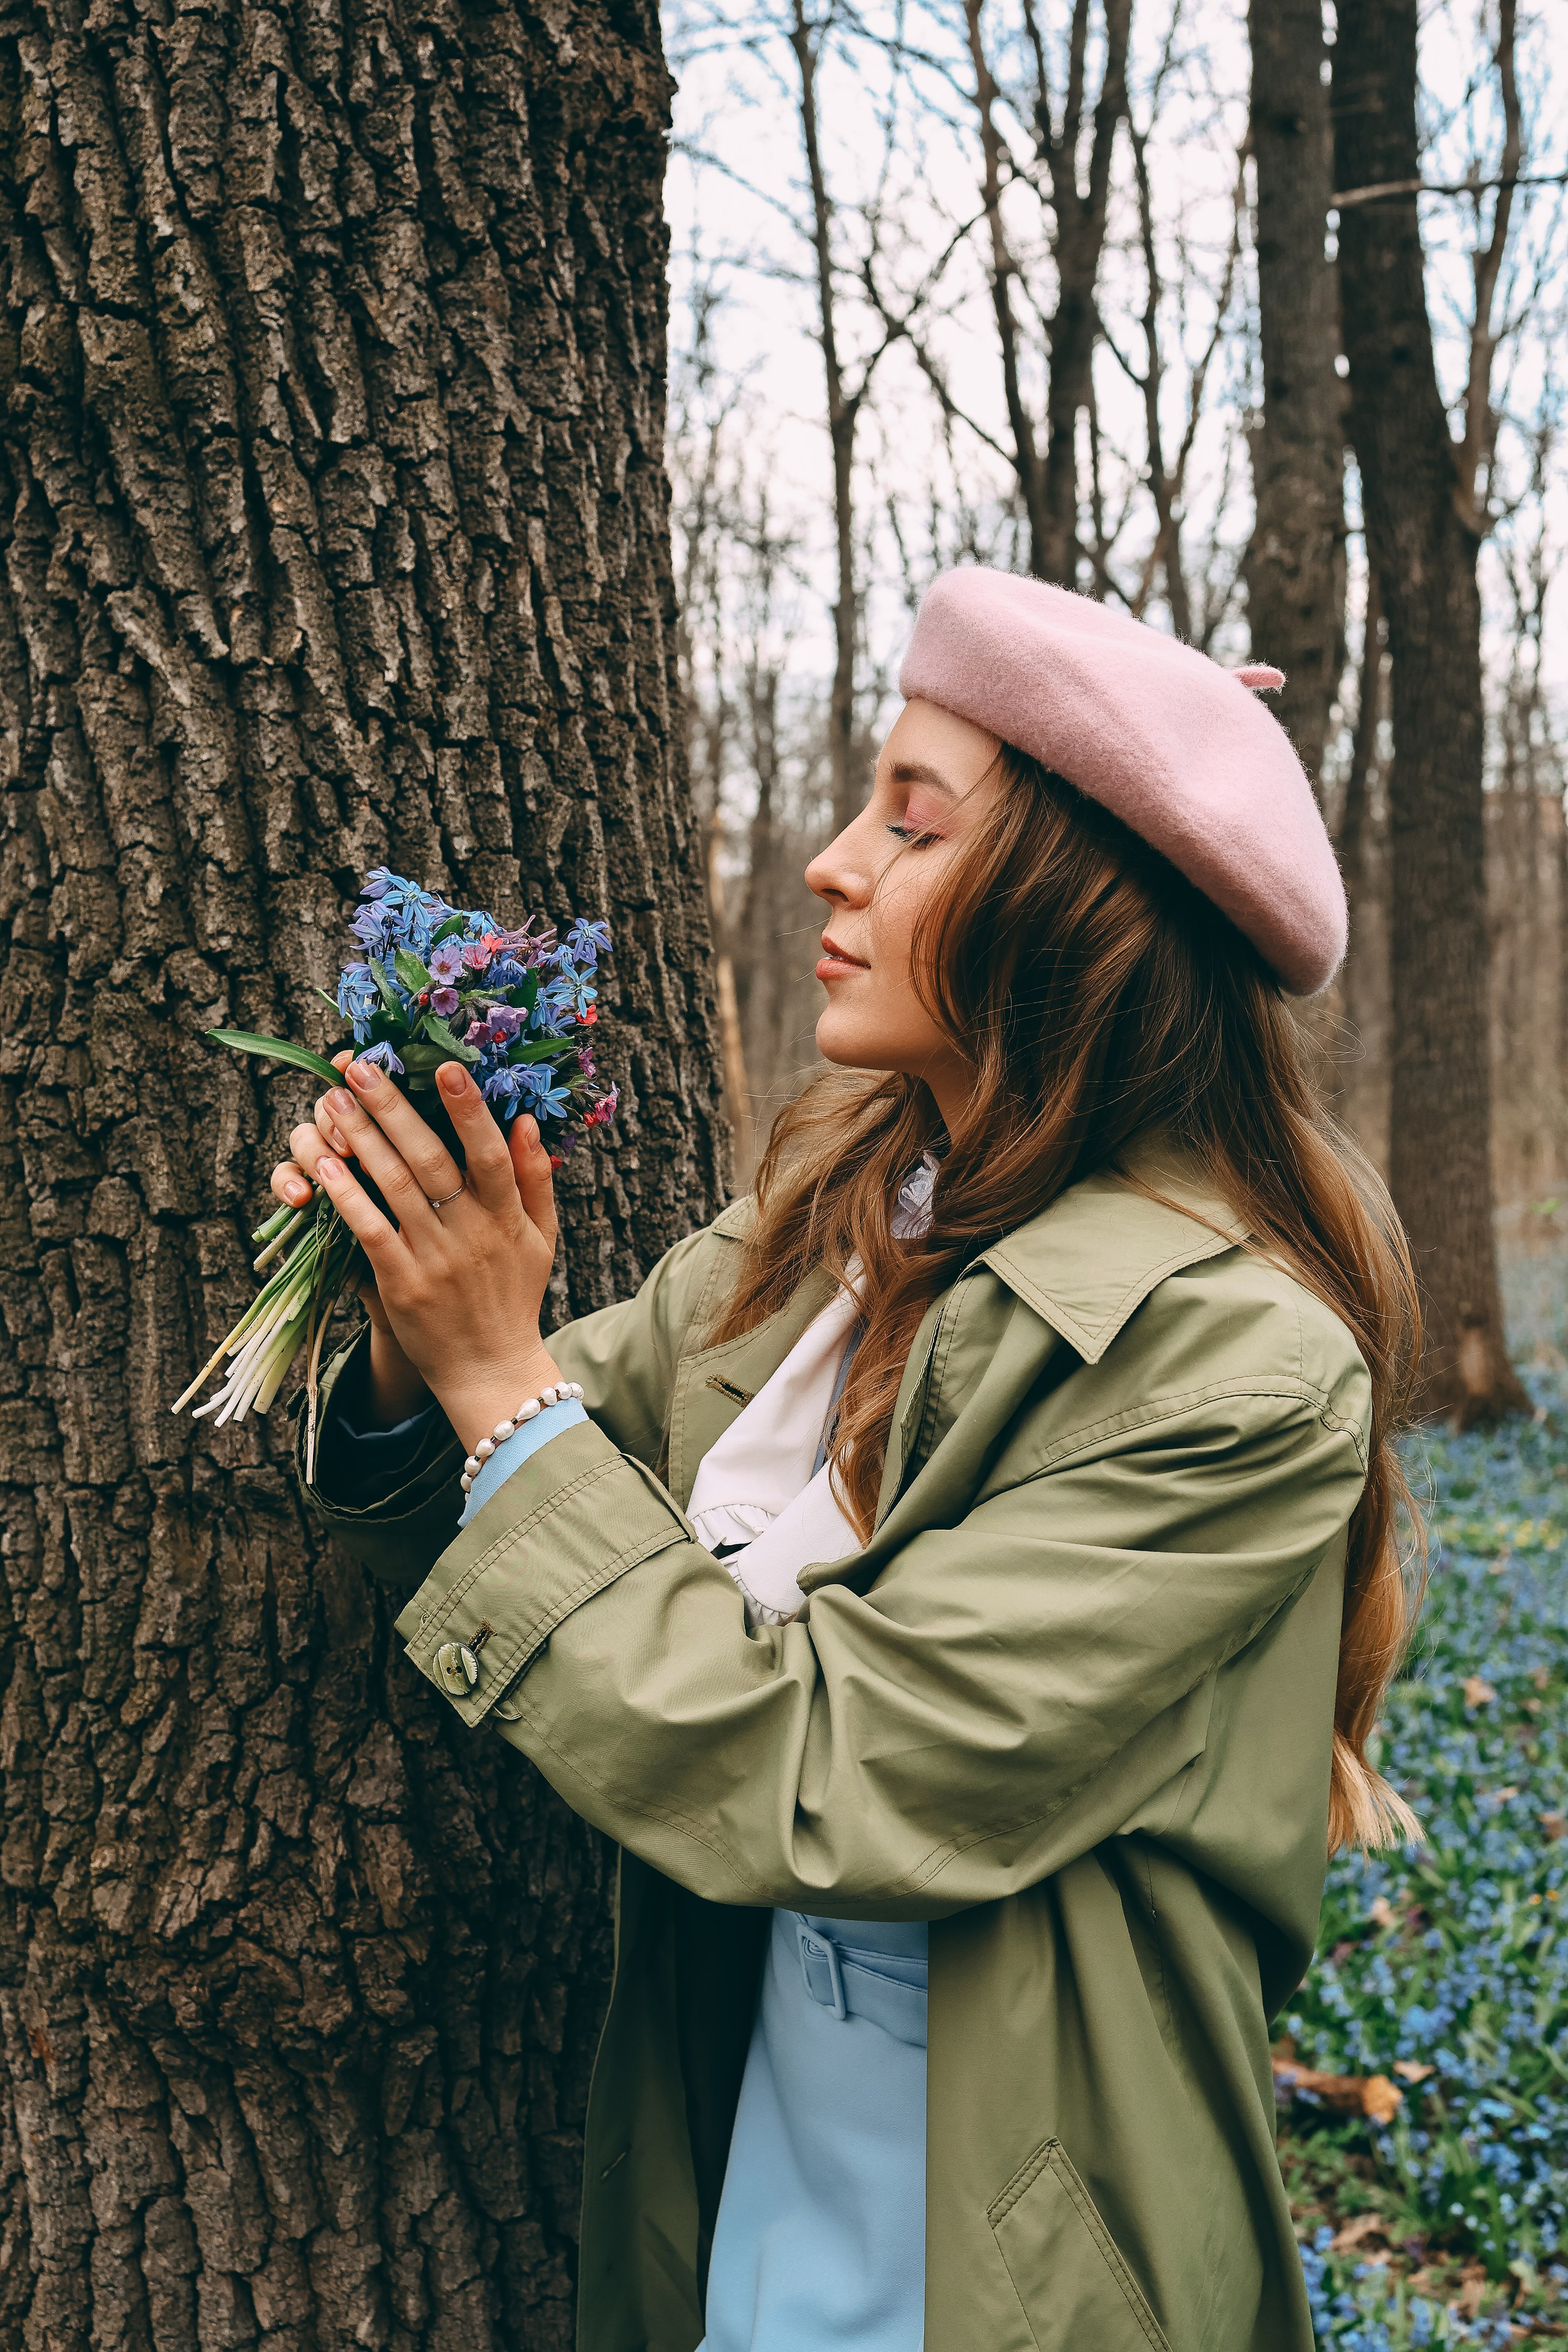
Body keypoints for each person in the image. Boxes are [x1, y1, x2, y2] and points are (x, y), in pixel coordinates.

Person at [281, 568, 1422, 2352]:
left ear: (1073, 914)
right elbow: (501, 1505)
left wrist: (494, 1374)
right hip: (733, 2176)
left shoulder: (1239, 1370)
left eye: (909, 823)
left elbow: (839, 1770)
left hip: (1002, 2259)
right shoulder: (831, 1236)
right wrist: (409, 1313)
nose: (829, 861)